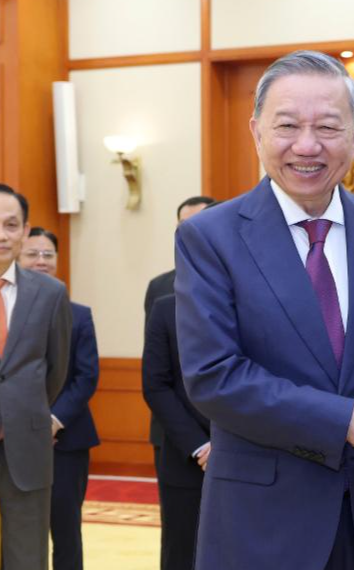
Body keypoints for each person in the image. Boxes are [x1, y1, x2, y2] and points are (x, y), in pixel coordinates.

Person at [173, 51, 354, 570]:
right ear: (256, 131)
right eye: (287, 126)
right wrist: (345, 419)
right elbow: (214, 376)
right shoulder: (209, 237)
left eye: (328, 127)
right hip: (259, 525)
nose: (307, 146)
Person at [0, 183, 71, 570]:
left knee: (28, 558)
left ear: (25, 230)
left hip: (28, 451)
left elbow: (55, 370)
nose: (0, 234)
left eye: (11, 224)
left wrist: (23, 410)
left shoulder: (51, 293)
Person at [18, 227, 99, 570]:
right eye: (32, 254)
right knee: (19, 531)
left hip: (66, 441)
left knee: (66, 531)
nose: (40, 261)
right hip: (13, 440)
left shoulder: (78, 313)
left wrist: (51, 421)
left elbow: (86, 377)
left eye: (47, 254)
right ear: (17, 259)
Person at [142, 195, 214, 485]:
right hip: (177, 434)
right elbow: (157, 369)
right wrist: (196, 442)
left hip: (239, 441)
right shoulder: (161, 292)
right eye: (185, 227)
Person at [142, 294, 209, 570]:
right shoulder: (167, 308)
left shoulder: (253, 302)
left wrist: (230, 444)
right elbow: (156, 386)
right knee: (181, 553)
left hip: (248, 454)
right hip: (186, 458)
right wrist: (200, 446)